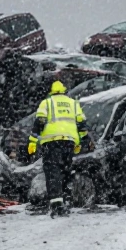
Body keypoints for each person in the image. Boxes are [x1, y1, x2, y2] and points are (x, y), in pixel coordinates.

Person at [28, 80, 90, 217]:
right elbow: (82, 124)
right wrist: (81, 141)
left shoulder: (47, 103)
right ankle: (65, 200)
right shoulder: (73, 103)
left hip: (52, 142)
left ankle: (57, 205)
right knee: (65, 170)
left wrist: (32, 141)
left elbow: (40, 122)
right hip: (69, 142)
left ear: (51, 92)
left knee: (53, 171)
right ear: (64, 91)